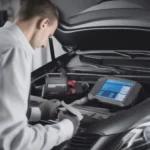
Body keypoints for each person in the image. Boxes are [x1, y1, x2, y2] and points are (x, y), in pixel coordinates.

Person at [0, 0, 80, 150]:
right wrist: (68, 127)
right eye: (49, 35)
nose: (44, 44)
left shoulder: (3, 39)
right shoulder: (14, 51)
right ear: (43, 23)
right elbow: (15, 142)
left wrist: (40, 112)